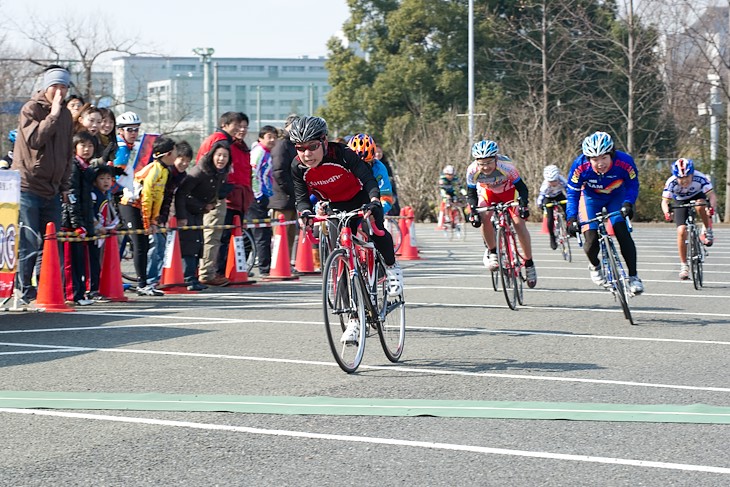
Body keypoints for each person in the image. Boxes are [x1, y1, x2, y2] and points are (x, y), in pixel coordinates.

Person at [290, 116, 402, 343]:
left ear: (323, 141)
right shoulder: (297, 166)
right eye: (300, 148)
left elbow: (369, 179)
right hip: (336, 205)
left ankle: (391, 268)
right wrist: (305, 214)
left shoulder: (342, 154)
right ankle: (353, 319)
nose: (306, 154)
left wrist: (373, 201)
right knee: (341, 261)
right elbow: (301, 198)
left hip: (362, 198)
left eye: (312, 146)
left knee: (376, 228)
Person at [14, 65, 74, 304]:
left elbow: (67, 153)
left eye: (64, 87)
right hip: (28, 186)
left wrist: (65, 184)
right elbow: (36, 139)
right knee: (29, 240)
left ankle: (47, 290)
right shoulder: (31, 108)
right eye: (55, 86)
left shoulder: (67, 116)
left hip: (53, 188)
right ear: (46, 87)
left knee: (51, 242)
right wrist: (54, 114)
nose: (59, 91)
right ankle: (23, 290)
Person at [565, 131, 644, 294]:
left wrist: (629, 202)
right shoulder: (579, 166)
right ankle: (595, 265)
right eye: (595, 159)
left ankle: (634, 277)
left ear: (612, 154)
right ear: (588, 159)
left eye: (604, 158)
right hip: (590, 199)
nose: (600, 163)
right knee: (591, 238)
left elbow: (632, 184)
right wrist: (571, 217)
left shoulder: (625, 162)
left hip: (617, 196)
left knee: (622, 232)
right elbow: (573, 193)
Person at [466, 139, 537, 288]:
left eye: (489, 162)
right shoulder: (472, 170)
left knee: (518, 224)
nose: (485, 167)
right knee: (484, 217)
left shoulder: (506, 166)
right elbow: (471, 193)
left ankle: (529, 263)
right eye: (481, 163)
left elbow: (522, 188)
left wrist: (523, 203)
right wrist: (473, 210)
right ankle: (493, 252)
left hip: (510, 193)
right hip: (489, 193)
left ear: (496, 159)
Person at [119, 136, 178, 296]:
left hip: (141, 208)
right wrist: (148, 223)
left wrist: (154, 220)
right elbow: (146, 198)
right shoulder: (154, 170)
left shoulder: (164, 170)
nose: (177, 156)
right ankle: (142, 283)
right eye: (175, 152)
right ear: (167, 154)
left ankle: (144, 284)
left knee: (144, 245)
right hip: (130, 205)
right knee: (139, 245)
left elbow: (157, 198)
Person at [196, 111, 246, 286]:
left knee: (210, 234)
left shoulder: (215, 138)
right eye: (237, 125)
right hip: (213, 195)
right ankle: (208, 273)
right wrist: (221, 189)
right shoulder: (220, 141)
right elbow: (210, 166)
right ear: (225, 125)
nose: (240, 128)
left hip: (210, 192)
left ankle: (205, 271)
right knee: (213, 235)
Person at [176, 140, 232, 291]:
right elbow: (182, 193)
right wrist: (186, 214)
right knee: (189, 244)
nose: (221, 159)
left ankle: (192, 278)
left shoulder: (219, 172)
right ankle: (188, 278)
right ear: (212, 155)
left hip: (198, 211)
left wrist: (211, 202)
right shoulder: (199, 171)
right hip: (187, 211)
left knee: (197, 243)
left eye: (225, 156)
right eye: (219, 155)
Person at [660, 158, 717, 280]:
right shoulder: (671, 182)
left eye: (687, 177)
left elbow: (711, 195)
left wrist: (711, 207)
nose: (684, 181)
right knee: (681, 231)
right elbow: (665, 201)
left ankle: (707, 230)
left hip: (698, 196)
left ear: (692, 174)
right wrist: (666, 212)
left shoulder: (700, 178)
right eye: (681, 178)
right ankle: (684, 265)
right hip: (680, 200)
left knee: (700, 205)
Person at [147, 140, 193, 288]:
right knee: (155, 246)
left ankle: (159, 278)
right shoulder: (163, 170)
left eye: (188, 161)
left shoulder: (181, 176)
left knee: (161, 246)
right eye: (181, 159)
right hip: (150, 210)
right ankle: (151, 278)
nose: (184, 163)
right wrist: (154, 216)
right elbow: (154, 194)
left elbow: (170, 197)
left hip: (161, 213)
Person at [61, 131, 98, 306]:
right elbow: (71, 198)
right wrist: (77, 224)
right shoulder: (73, 167)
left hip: (82, 220)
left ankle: (80, 292)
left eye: (90, 146)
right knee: (71, 261)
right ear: (75, 147)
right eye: (83, 145)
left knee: (80, 260)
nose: (87, 149)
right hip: (70, 223)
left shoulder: (86, 168)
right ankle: (72, 294)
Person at [216, 113, 253, 280]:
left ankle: (235, 269)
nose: (242, 129)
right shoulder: (224, 145)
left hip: (242, 199)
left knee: (239, 236)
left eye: (245, 126)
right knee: (223, 237)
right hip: (229, 199)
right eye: (238, 126)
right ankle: (219, 271)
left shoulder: (242, 147)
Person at [248, 125, 277, 277]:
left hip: (264, 197)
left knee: (254, 232)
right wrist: (258, 194)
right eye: (269, 136)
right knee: (262, 233)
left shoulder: (267, 153)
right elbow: (253, 173)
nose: (272, 140)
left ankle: (244, 267)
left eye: (274, 137)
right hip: (256, 198)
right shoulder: (259, 152)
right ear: (261, 138)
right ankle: (265, 268)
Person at [269, 114, 299, 265]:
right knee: (281, 234)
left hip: (292, 197)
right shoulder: (282, 145)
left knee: (291, 233)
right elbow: (279, 171)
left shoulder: (293, 144)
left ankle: (285, 265)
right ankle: (278, 264)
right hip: (282, 198)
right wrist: (292, 190)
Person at [89, 163, 119, 301]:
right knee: (93, 261)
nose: (106, 181)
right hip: (94, 233)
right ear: (95, 181)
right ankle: (92, 289)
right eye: (102, 178)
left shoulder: (106, 195)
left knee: (99, 261)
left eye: (108, 178)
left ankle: (96, 288)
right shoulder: (93, 195)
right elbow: (90, 212)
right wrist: (96, 225)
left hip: (103, 233)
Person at [347, 133, 395, 214]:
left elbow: (386, 198)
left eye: (367, 163)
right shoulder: (342, 166)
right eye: (357, 165)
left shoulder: (379, 168)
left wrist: (377, 211)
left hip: (369, 205)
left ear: (373, 158)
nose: (362, 168)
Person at [536, 164, 569, 250]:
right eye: (550, 181)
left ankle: (569, 227)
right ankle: (552, 237)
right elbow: (541, 197)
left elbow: (568, 190)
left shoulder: (562, 180)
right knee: (550, 219)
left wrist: (570, 200)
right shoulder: (545, 186)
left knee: (568, 210)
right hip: (548, 198)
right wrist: (540, 205)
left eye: (554, 181)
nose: (553, 183)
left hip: (559, 195)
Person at [375, 145, 400, 216]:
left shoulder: (386, 165)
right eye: (376, 152)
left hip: (386, 190)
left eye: (380, 152)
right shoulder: (369, 166)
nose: (378, 154)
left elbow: (391, 180)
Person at [437, 165, 464, 229]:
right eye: (448, 175)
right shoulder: (442, 179)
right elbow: (441, 189)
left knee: (455, 200)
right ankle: (447, 216)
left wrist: (465, 194)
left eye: (451, 175)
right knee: (447, 202)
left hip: (452, 192)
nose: (450, 177)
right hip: (445, 193)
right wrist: (445, 195)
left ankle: (456, 217)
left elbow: (461, 187)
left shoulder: (455, 179)